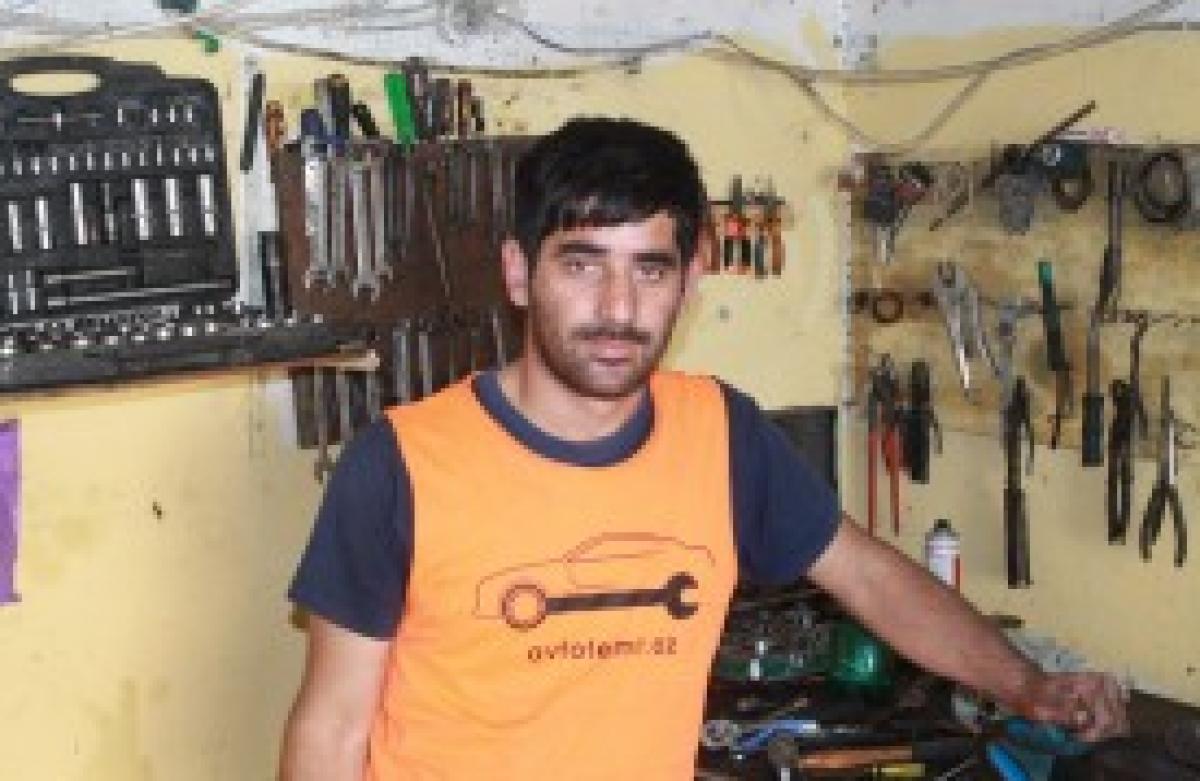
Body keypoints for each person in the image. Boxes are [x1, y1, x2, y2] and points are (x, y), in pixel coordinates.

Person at [279, 117, 1128, 780]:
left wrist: (1025, 684)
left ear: (690, 280)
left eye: (649, 269)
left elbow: (868, 575)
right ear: (516, 271)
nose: (618, 307)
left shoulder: (721, 432)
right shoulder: (402, 464)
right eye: (582, 264)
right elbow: (332, 728)